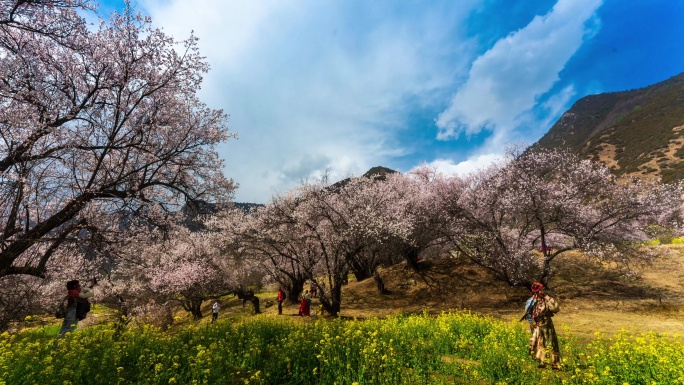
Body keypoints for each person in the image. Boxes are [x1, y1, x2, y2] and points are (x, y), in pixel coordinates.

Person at [523, 281, 561, 369]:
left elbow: (555, 309)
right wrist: (533, 323)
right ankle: (543, 361)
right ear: (536, 291)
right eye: (541, 290)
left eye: (543, 289)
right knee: (540, 342)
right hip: (537, 325)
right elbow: (527, 313)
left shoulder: (546, 300)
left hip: (547, 324)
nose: (542, 291)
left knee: (550, 342)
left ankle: (554, 362)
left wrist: (548, 299)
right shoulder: (531, 301)